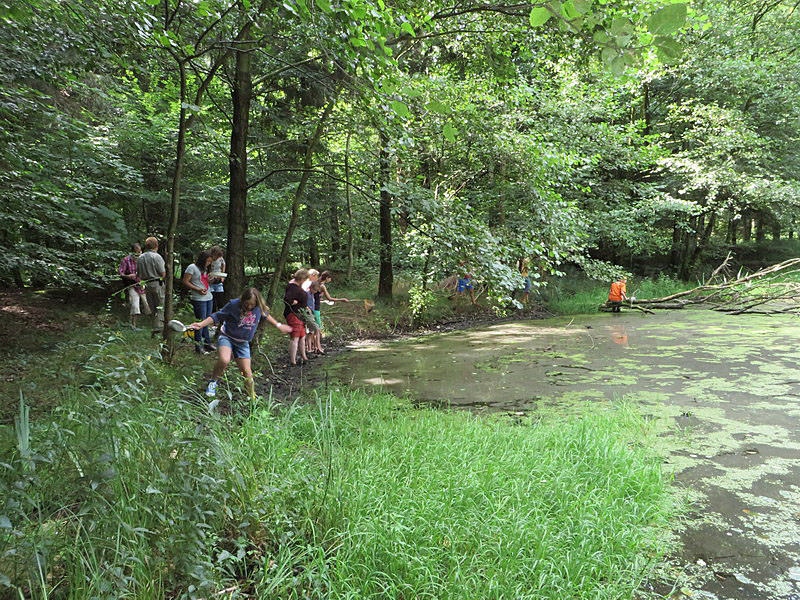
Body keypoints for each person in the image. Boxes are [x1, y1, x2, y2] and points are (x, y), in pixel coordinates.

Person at [188, 287, 291, 399]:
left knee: (247, 373)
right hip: (227, 337)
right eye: (247, 304)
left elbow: (266, 315)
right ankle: (213, 382)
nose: (250, 307)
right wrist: (201, 324)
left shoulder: (259, 307)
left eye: (252, 305)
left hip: (242, 343)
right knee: (224, 359)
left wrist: (279, 325)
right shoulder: (233, 304)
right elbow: (217, 315)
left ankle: (252, 399)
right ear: (243, 300)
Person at [183, 250, 215, 354]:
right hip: (198, 298)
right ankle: (198, 345)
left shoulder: (205, 269)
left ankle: (207, 343)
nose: (209, 263)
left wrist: (212, 279)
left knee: (207, 321)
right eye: (207, 261)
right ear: (202, 260)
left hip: (208, 297)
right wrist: (197, 289)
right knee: (200, 321)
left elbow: (206, 281)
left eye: (210, 262)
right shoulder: (192, 267)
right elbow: (185, 281)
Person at [313, 270, 350, 354]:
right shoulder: (322, 286)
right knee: (317, 329)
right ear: (326, 278)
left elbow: (315, 296)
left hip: (314, 307)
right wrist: (342, 300)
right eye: (330, 278)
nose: (330, 280)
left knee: (315, 329)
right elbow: (330, 298)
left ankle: (316, 347)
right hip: (315, 309)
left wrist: (321, 299)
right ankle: (318, 348)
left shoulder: (316, 283)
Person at [137, 237, 167, 334]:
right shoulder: (157, 257)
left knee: (152, 307)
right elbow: (163, 273)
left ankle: (154, 326)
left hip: (146, 284)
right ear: (156, 245)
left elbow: (138, 273)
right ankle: (159, 328)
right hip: (157, 283)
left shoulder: (140, 257)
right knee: (161, 306)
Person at [118, 243, 150, 329]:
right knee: (134, 304)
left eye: (139, 252)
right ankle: (133, 325)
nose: (138, 255)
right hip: (132, 284)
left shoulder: (144, 259)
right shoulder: (125, 260)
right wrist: (127, 276)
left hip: (143, 284)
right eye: (136, 253)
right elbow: (121, 273)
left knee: (149, 304)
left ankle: (153, 324)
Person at [284, 269, 310, 366]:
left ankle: (304, 357)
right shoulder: (292, 287)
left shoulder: (296, 286)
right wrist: (294, 302)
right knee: (295, 337)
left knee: (302, 336)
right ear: (303, 278)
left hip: (300, 315)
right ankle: (293, 361)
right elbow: (287, 299)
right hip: (293, 314)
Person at [208, 246, 226, 312]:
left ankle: (221, 316)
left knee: (220, 299)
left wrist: (222, 275)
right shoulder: (209, 259)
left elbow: (223, 264)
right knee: (213, 300)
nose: (217, 258)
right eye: (216, 256)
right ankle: (213, 315)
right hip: (211, 281)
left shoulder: (220, 258)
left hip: (218, 280)